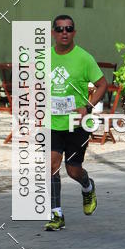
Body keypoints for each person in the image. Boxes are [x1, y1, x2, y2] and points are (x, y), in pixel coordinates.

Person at [46, 15, 107, 231]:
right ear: (53, 32)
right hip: (52, 122)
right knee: (52, 165)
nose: (64, 32)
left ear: (74, 32)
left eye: (69, 29)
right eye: (60, 29)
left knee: (73, 170)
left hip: (76, 123)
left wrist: (88, 107)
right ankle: (56, 214)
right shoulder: (44, 57)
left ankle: (87, 186)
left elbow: (102, 85)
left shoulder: (84, 58)